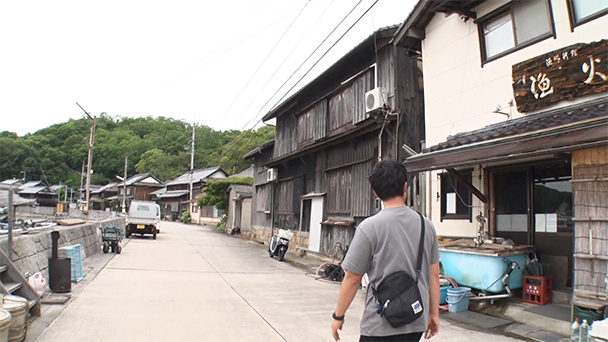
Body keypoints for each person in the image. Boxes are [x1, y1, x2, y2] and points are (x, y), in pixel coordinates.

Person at [331, 160, 440, 341]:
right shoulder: (426, 225)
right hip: (414, 321)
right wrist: (433, 314)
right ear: (405, 187)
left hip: (379, 324)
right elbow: (433, 276)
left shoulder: (369, 228)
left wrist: (338, 316)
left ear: (376, 192)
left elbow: (352, 279)